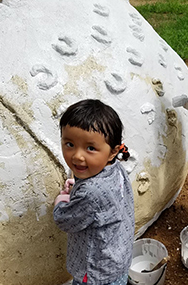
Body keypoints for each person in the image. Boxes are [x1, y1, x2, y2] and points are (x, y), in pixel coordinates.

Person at [53, 99, 134, 285]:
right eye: (69, 144)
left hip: (95, 273)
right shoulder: (116, 168)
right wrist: (78, 186)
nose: (77, 155)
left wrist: (62, 199)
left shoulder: (91, 193)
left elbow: (65, 220)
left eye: (90, 148)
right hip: (117, 260)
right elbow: (102, 197)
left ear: (112, 152)